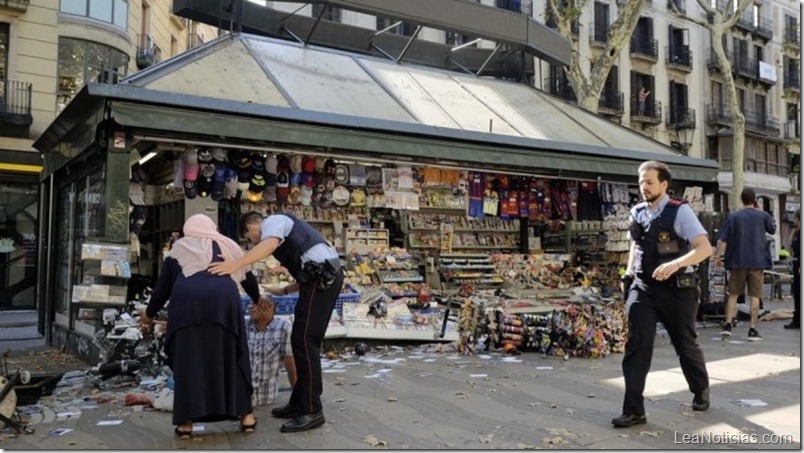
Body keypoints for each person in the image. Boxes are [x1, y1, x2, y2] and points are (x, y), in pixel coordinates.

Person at [208, 211, 344, 433]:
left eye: (249, 239)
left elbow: (270, 244)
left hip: (323, 282)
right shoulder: (284, 236)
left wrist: (236, 264)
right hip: (319, 280)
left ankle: (311, 410)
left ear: (252, 229)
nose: (253, 242)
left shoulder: (273, 222)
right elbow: (310, 266)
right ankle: (300, 403)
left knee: (305, 341)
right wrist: (286, 289)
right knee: (300, 341)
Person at [139, 214, 260, 438]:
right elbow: (249, 279)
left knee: (189, 361)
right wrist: (258, 300)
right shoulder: (228, 244)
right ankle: (246, 417)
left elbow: (162, 290)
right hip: (224, 305)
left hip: (187, 306)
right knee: (232, 356)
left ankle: (186, 424)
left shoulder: (179, 248)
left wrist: (148, 315)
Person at [613, 160, 712, 428]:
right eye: (641, 182)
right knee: (637, 346)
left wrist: (675, 264)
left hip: (678, 290)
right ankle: (634, 410)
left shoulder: (680, 212)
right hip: (643, 288)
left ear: (664, 184)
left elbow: (705, 248)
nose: (644, 187)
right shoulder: (637, 212)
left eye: (649, 182)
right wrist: (629, 273)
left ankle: (700, 389)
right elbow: (635, 244)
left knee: (685, 344)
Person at [715, 188, 776, 341]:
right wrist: (763, 212)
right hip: (757, 260)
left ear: (741, 200)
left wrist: (717, 256)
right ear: (755, 200)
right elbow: (772, 230)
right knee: (755, 296)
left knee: (733, 294)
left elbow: (724, 239)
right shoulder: (763, 216)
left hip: (737, 260)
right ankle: (752, 329)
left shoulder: (734, 217)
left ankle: (728, 325)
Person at [248, 294, 298, 407]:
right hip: (242, 397)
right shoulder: (244, 326)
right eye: (250, 304)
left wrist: (297, 397)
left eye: (255, 304)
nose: (251, 307)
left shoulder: (283, 328)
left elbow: (290, 364)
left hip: (266, 397)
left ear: (269, 307)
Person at [784, 209, 800, 329]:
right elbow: (789, 245)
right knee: (797, 293)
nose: (794, 221)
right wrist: (794, 230)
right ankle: (797, 318)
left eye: (796, 219)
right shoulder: (798, 233)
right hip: (796, 266)